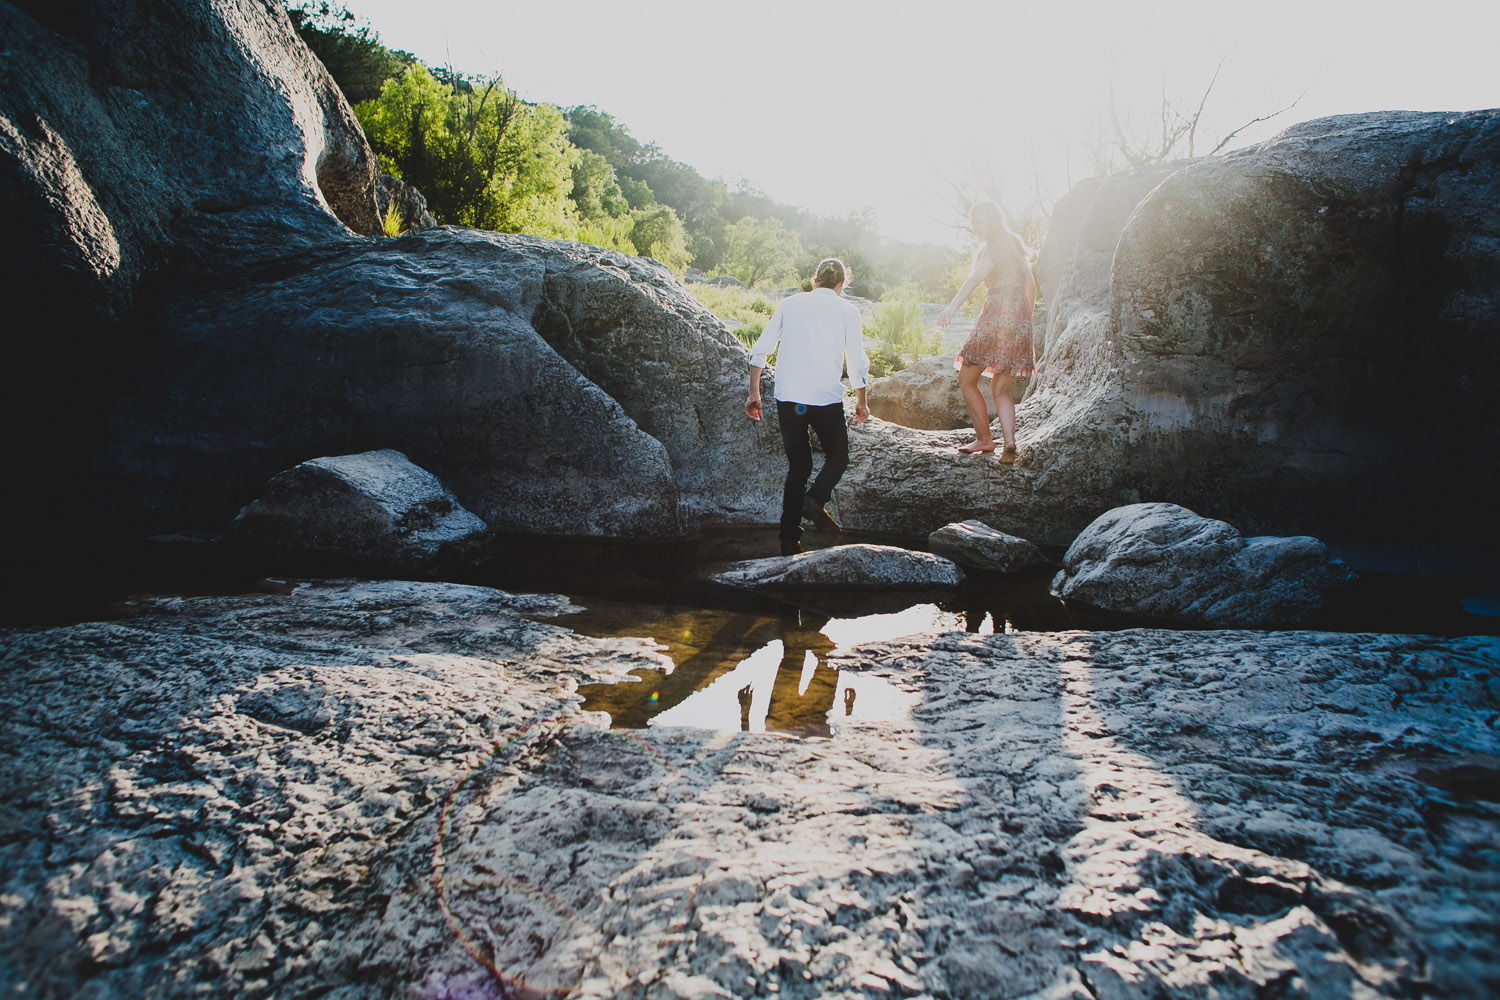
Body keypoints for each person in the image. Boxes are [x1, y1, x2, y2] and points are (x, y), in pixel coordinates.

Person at [745, 257, 870, 556]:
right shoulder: (848, 311)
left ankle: (789, 540)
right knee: (838, 457)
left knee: (798, 466)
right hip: (825, 400)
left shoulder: (790, 304)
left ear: (814, 281)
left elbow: (760, 349)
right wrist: (862, 402)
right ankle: (814, 500)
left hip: (789, 399)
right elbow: (856, 360)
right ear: (842, 285)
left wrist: (754, 393)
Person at [936, 202, 1036, 463]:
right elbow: (1030, 285)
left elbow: (974, 279)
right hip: (1018, 321)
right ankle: (1010, 442)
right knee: (1001, 389)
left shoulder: (991, 250)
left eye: (978, 221)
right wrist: (1026, 320)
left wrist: (951, 308)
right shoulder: (1015, 246)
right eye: (973, 221)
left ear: (991, 222)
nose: (974, 226)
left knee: (967, 379)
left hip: (995, 318)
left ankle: (984, 439)